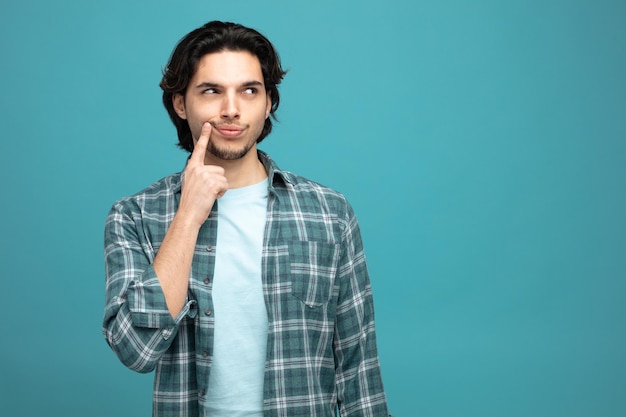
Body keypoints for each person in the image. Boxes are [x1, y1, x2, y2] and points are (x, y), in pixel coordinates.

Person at [103, 20, 390, 417]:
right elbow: (136, 350)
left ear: (268, 101)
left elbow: (359, 370)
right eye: (211, 91)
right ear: (180, 103)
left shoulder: (329, 213)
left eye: (249, 91)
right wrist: (188, 215)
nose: (232, 110)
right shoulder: (135, 216)